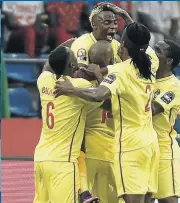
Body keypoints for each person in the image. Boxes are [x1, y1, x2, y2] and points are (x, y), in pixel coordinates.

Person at [54, 22, 160, 203]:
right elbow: (115, 102)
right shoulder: (150, 65)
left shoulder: (120, 72)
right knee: (147, 200)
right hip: (150, 143)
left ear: (123, 46)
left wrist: (70, 90)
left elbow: (98, 94)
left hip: (130, 145)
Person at [34, 46, 100, 203]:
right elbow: (102, 94)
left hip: (41, 158)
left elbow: (47, 66)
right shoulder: (79, 85)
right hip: (63, 162)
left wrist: (63, 47)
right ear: (71, 66)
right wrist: (98, 74)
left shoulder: (43, 80)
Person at [151, 40, 180, 203]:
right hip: (141, 149)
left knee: (168, 200)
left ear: (169, 60)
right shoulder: (145, 78)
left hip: (163, 150)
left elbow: (151, 110)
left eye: (158, 50)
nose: (152, 52)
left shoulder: (175, 86)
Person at [84, 40, 118, 203]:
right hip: (114, 153)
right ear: (112, 61)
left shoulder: (81, 85)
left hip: (89, 152)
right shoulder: (122, 82)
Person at [70, 2, 133, 68]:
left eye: (115, 23)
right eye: (107, 23)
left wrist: (125, 15)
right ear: (94, 24)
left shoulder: (117, 45)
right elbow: (80, 73)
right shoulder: (82, 43)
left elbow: (133, 66)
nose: (113, 26)